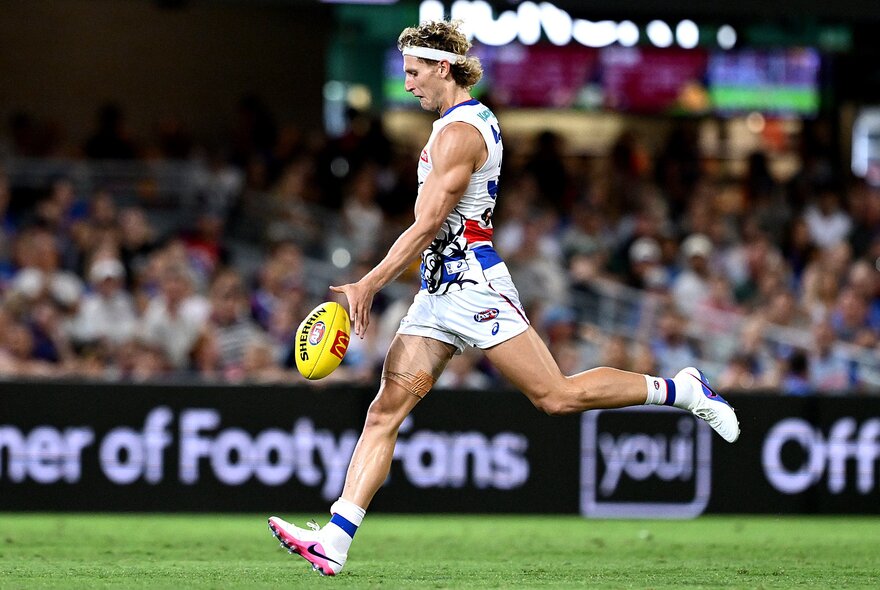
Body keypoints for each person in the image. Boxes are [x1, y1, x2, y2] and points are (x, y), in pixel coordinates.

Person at [267, 19, 740, 577]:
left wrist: (368, 283)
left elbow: (425, 226)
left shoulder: (459, 133)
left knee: (556, 398)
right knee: (384, 411)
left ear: (442, 67)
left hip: (473, 286)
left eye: (415, 72)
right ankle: (336, 541)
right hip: (438, 291)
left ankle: (679, 389)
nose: (409, 83)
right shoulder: (454, 125)